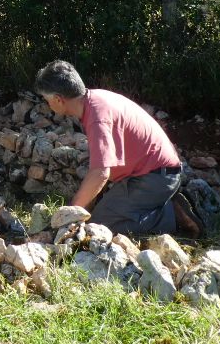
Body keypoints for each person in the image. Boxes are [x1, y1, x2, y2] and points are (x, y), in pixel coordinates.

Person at [33, 59, 204, 238]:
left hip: (156, 177)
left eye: (47, 100)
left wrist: (70, 215)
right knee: (97, 215)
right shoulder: (94, 100)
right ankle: (155, 204)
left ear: (58, 99)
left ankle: (172, 216)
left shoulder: (97, 118)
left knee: (101, 227)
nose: (48, 105)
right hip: (148, 172)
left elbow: (100, 172)